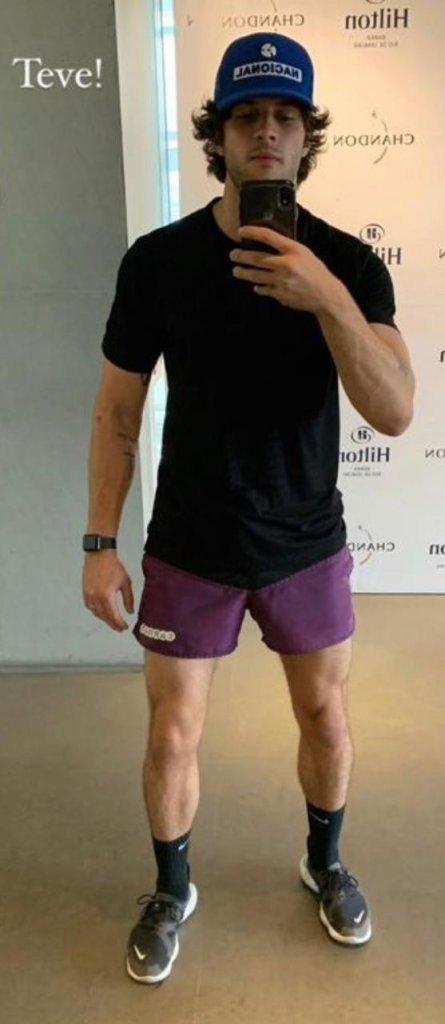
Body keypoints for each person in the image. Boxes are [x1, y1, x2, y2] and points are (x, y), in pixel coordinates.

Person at [82, 32, 414, 985]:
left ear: (306, 138)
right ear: (217, 137)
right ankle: (171, 888)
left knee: (325, 717)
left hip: (305, 541)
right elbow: (116, 408)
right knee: (171, 732)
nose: (265, 132)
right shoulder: (158, 262)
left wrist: (326, 300)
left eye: (283, 117)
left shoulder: (348, 265)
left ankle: (324, 861)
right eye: (245, 117)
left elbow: (394, 410)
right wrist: (100, 541)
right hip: (190, 541)